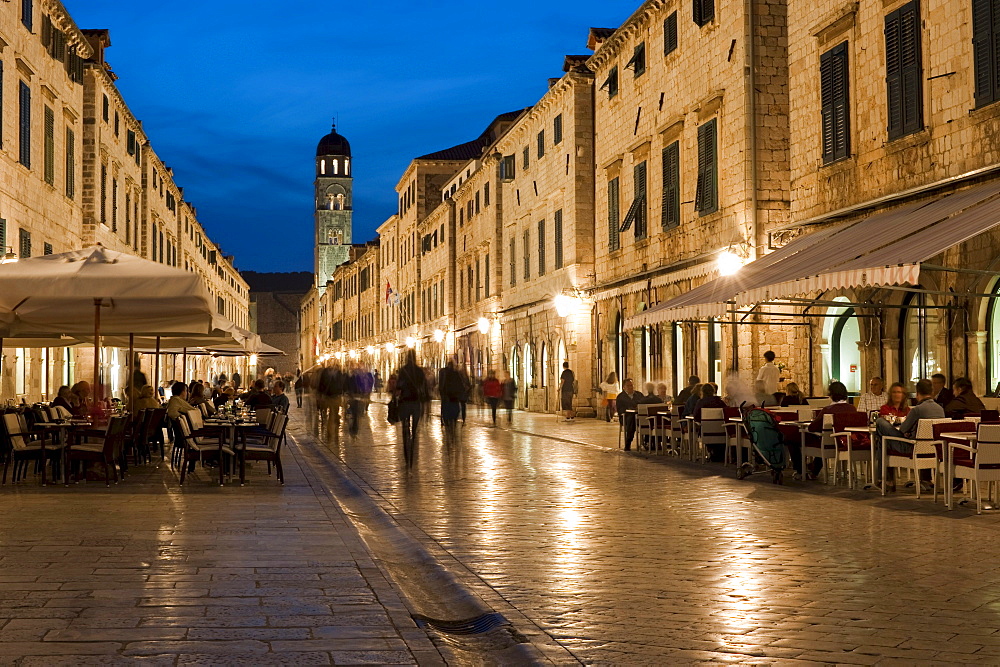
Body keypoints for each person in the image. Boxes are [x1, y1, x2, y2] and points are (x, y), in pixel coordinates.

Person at [874, 378, 945, 492]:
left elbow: (902, 429)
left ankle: (886, 480)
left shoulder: (917, 410)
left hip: (911, 447)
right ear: (932, 392)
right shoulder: (940, 409)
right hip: (933, 448)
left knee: (881, 428)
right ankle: (925, 479)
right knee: (883, 439)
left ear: (917, 393)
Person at [800, 381, 857, 479]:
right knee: (824, 438)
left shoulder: (828, 410)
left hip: (829, 444)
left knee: (813, 438)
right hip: (847, 443)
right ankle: (813, 468)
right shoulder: (852, 409)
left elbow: (812, 427)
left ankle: (807, 469)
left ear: (831, 394)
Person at [395, 351, 429, 448]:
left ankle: (406, 432)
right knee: (415, 422)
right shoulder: (419, 371)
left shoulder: (403, 370)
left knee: (405, 421)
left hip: (405, 400)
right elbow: (424, 385)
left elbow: (398, 386)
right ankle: (414, 436)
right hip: (416, 399)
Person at [616, 379, 644, 451]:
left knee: (648, 419)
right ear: (624, 387)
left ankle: (647, 442)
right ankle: (628, 442)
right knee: (632, 419)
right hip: (626, 417)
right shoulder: (620, 397)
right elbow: (620, 410)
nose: (630, 387)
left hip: (639, 416)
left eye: (631, 385)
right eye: (628, 386)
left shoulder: (639, 394)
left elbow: (644, 403)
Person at [437, 360, 463, 429]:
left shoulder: (445, 373)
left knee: (446, 408)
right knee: (453, 409)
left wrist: (442, 391)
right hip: (452, 395)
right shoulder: (454, 374)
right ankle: (450, 420)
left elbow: (442, 384)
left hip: (448, 395)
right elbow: (460, 384)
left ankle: (446, 420)